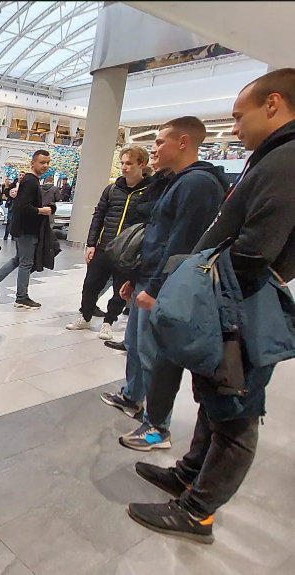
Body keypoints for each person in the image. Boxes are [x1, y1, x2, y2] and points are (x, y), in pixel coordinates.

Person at [126, 67, 295, 545]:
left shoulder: (286, 160)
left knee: (237, 411)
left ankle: (197, 512)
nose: (234, 127)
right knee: (218, 400)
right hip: (232, 302)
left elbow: (256, 250)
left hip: (241, 306)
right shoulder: (273, 157)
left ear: (273, 104)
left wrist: (195, 283)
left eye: (239, 116)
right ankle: (189, 475)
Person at [106, 117, 227, 451]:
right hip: (147, 277)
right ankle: (133, 396)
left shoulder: (198, 184)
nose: (155, 149)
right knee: (136, 344)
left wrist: (156, 288)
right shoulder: (176, 181)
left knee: (155, 355)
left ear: (183, 142)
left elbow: (181, 244)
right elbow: (156, 235)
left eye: (160, 142)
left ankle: (157, 426)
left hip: (164, 284)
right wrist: (135, 278)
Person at [66, 146, 153, 341]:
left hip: (128, 251)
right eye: (122, 163)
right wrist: (91, 243)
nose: (124, 167)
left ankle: (109, 322)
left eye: (129, 163)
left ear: (142, 164)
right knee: (90, 285)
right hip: (104, 246)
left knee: (120, 289)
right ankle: (85, 316)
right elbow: (99, 215)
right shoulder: (112, 189)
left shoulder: (149, 192)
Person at [103, 148, 175, 352]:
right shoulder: (157, 183)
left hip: (156, 266)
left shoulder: (183, 183)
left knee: (146, 344)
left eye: (161, 144)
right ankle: (130, 342)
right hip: (139, 256)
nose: (155, 151)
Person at [0, 151, 53, 309]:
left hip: (24, 229)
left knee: (19, 259)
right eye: (42, 162)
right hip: (27, 229)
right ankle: (21, 297)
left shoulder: (32, 180)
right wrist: (41, 210)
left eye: (47, 162)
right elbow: (23, 206)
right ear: (33, 163)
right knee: (26, 263)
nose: (45, 165)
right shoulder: (30, 181)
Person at [2, 172, 23, 240]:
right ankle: (6, 234)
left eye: (23, 175)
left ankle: (14, 235)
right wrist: (10, 194)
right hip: (12, 203)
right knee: (10, 219)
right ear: (17, 176)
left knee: (17, 220)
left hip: (20, 204)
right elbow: (6, 192)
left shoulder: (25, 185)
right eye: (20, 175)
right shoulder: (13, 184)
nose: (21, 176)